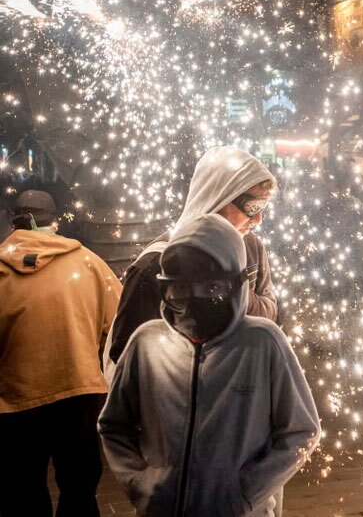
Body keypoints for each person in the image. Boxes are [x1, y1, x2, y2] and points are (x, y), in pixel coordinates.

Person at [98, 213, 320, 516]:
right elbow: (114, 425)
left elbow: (301, 430)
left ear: (237, 284)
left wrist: (244, 491)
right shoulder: (146, 343)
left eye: (213, 289)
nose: (193, 302)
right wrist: (140, 483)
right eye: (179, 289)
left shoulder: (262, 343)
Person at [106, 146, 279, 376]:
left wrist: (235, 293)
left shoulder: (252, 246)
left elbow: (272, 311)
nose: (258, 219)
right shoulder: (155, 264)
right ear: (220, 196)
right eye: (253, 207)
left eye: (263, 207)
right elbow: (127, 355)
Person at [0, 191, 122, 517]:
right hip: (79, 393)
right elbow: (120, 326)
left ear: (15, 220)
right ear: (54, 222)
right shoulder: (88, 262)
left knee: (24, 492)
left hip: (15, 400)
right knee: (80, 489)